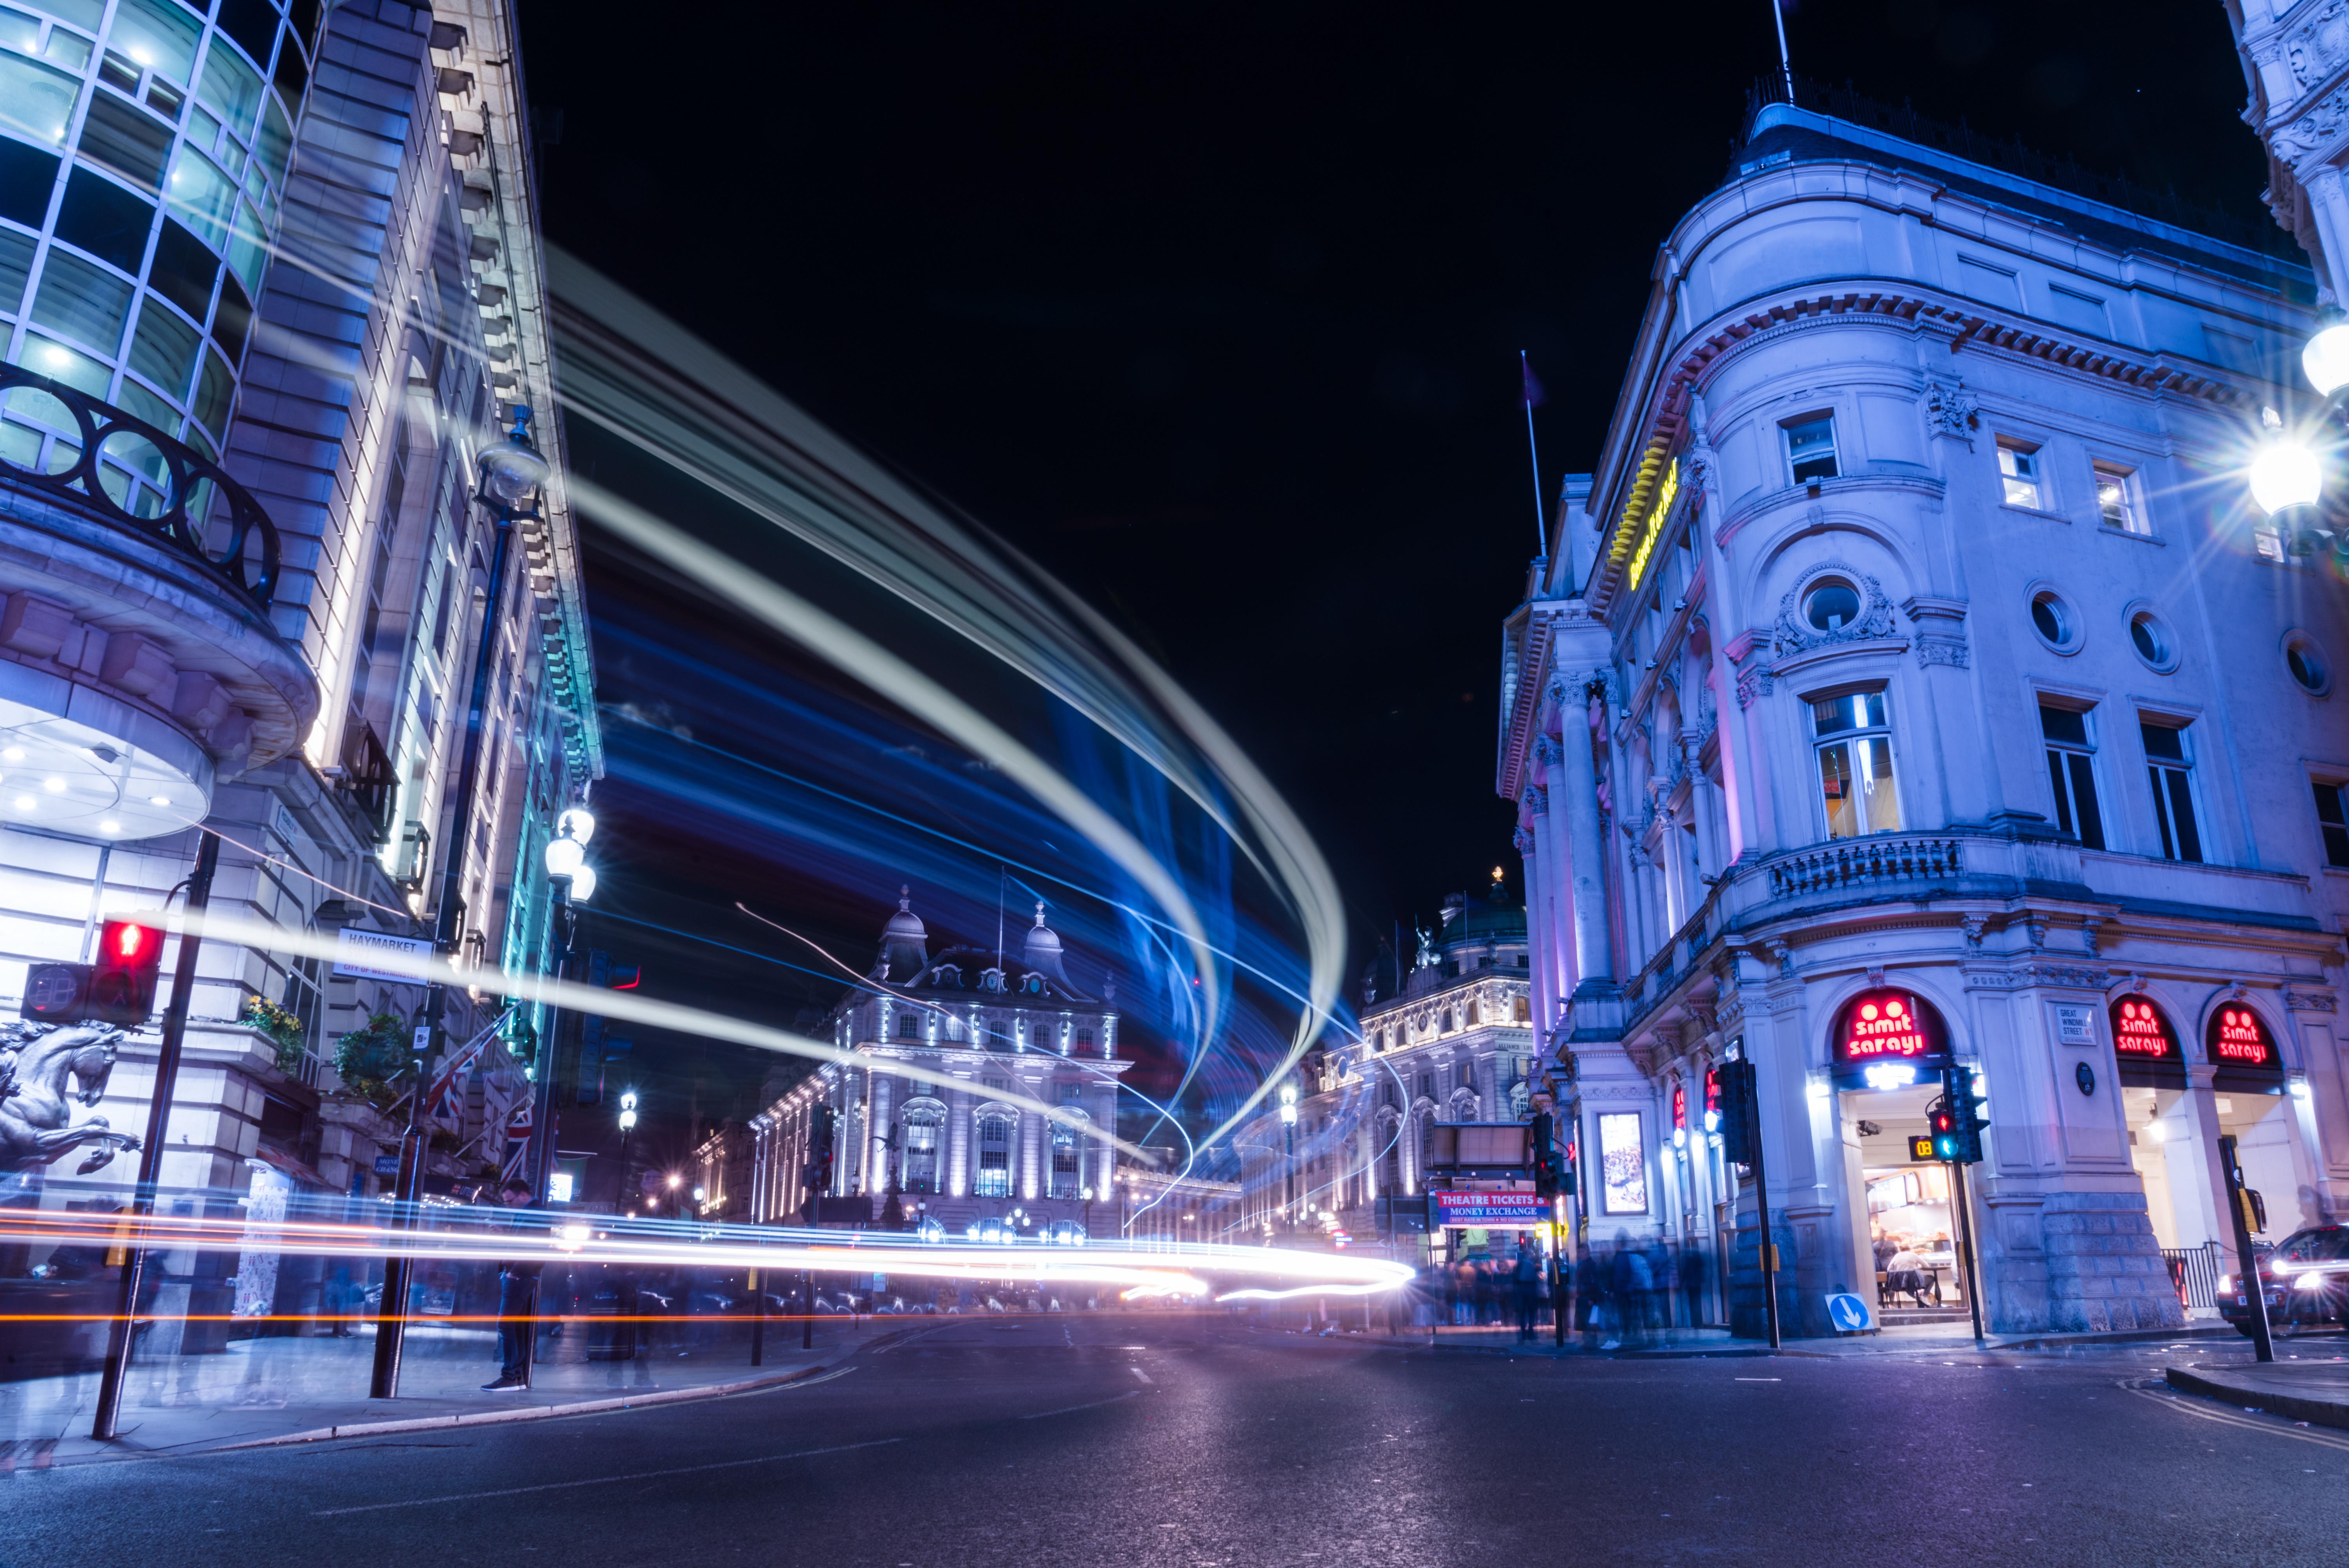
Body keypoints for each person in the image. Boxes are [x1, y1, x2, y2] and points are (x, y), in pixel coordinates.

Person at [482, 1178, 545, 1392]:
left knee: (506, 1324)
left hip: (520, 1276)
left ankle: (510, 1375)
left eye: (510, 1201)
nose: (508, 1206)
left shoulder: (535, 1212)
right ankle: (515, 1376)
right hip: (519, 1275)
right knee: (514, 1325)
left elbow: (533, 1249)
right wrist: (505, 1235)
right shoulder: (529, 1211)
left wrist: (512, 1273)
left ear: (523, 1195)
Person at [1511, 1242, 1541, 1342]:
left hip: (1522, 1294)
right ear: (1527, 1255)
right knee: (1529, 1314)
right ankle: (1529, 1333)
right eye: (1531, 1254)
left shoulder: (1520, 1265)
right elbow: (1528, 1279)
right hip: (1528, 1293)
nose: (1533, 1256)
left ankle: (1524, 1333)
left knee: (1524, 1314)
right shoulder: (1528, 1265)